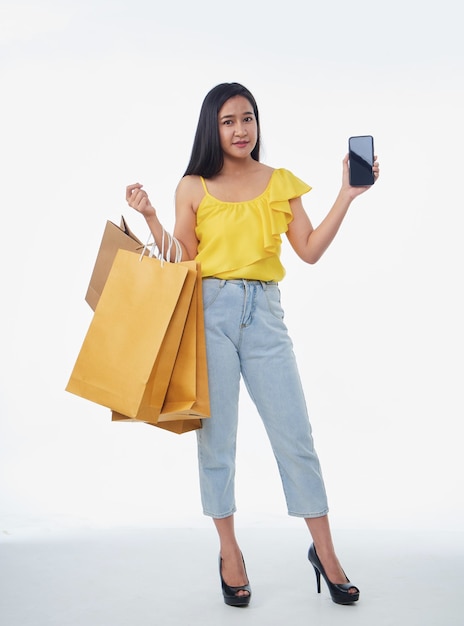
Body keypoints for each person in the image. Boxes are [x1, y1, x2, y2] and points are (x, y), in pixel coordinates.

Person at [126, 82, 380, 607]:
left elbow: (308, 251)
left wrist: (346, 197)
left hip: (264, 315)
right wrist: (151, 217)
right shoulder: (192, 185)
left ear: (257, 124)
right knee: (217, 443)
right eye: (228, 121)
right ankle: (230, 554)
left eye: (248, 118)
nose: (240, 129)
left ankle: (325, 553)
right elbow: (183, 259)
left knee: (296, 438)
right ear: (211, 129)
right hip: (209, 313)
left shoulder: (280, 182)